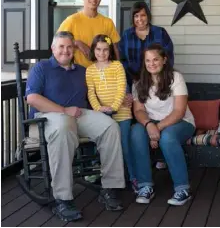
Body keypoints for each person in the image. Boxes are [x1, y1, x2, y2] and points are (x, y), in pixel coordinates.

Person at [25, 31, 125, 222]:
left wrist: (124, 98)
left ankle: (110, 187)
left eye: (69, 47)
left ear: (74, 50)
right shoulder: (41, 68)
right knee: (63, 126)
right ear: (53, 49)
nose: (65, 50)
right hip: (48, 118)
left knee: (110, 126)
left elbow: (96, 93)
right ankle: (62, 198)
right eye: (61, 46)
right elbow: (32, 98)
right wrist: (63, 110)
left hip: (79, 114)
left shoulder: (81, 70)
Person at [130, 43, 195, 206]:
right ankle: (145, 186)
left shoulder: (175, 77)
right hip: (151, 123)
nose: (152, 64)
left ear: (164, 60)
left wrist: (156, 129)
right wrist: (149, 125)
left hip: (181, 122)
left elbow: (179, 111)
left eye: (156, 59)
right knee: (136, 133)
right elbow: (138, 110)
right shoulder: (138, 82)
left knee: (167, 137)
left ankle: (183, 189)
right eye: (148, 61)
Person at [86, 34, 134, 183]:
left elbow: (121, 88)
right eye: (98, 49)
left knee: (124, 146)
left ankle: (133, 177)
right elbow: (91, 92)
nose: (102, 53)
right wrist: (99, 108)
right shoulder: (90, 70)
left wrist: (114, 107)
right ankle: (101, 173)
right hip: (102, 114)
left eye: (105, 50)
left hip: (122, 113)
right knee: (103, 146)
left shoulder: (117, 66)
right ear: (94, 50)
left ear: (110, 50)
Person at [57, 0, 120, 68]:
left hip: (102, 75)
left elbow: (115, 51)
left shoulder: (108, 22)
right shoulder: (71, 21)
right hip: (77, 74)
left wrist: (117, 71)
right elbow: (57, 45)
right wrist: (77, 43)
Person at [118, 1, 174, 92]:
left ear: (148, 16)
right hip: (133, 82)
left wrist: (160, 77)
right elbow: (122, 59)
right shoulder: (126, 35)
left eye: (143, 15)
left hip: (158, 81)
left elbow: (168, 57)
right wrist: (134, 78)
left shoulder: (160, 32)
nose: (139, 19)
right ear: (132, 18)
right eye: (136, 16)